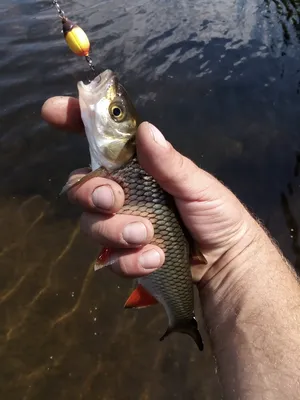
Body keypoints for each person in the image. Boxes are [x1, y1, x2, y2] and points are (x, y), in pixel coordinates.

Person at [42, 96, 300, 399]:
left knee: (137, 243)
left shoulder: (133, 161)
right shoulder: (121, 163)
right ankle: (179, 315)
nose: (110, 110)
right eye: (116, 111)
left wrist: (231, 253)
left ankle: (180, 317)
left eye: (114, 112)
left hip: (185, 248)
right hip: (193, 251)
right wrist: (232, 256)